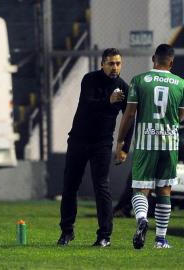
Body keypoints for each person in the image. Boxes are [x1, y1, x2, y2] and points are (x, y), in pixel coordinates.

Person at [57, 48, 134, 247]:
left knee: (102, 187)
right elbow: (88, 105)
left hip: (102, 143)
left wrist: (124, 146)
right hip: (79, 140)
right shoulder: (89, 79)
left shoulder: (124, 88)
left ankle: (104, 236)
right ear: (102, 64)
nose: (115, 67)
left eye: (118, 63)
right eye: (111, 63)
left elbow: (129, 119)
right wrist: (109, 101)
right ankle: (66, 232)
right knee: (70, 185)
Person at [115, 44, 184, 249]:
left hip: (146, 142)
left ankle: (142, 220)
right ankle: (161, 240)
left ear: (154, 58)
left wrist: (120, 141)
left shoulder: (139, 80)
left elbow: (129, 114)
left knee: (140, 188)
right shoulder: (180, 83)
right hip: (170, 144)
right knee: (164, 190)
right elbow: (180, 116)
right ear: (171, 62)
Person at [113, 97, 184, 218]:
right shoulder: (160, 104)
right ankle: (125, 207)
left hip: (183, 145)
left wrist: (177, 137)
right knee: (137, 173)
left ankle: (142, 209)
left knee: (161, 177)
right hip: (164, 145)